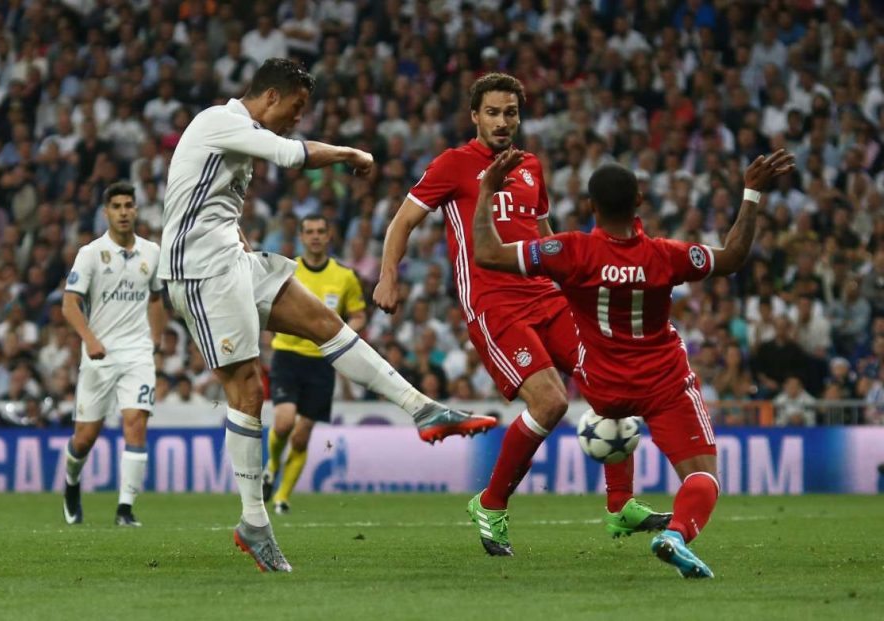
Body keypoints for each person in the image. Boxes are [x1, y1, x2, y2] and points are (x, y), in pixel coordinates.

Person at [158, 58, 495, 572]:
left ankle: (424, 410)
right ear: (272, 96)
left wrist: (238, 240)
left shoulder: (235, 132)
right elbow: (291, 156)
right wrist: (349, 153)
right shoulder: (218, 121)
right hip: (199, 273)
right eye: (296, 108)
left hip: (231, 260)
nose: (297, 119)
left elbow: (208, 203)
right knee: (248, 390)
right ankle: (254, 522)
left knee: (324, 322)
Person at [374, 73, 664, 557]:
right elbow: (403, 220)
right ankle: (490, 503)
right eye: (493, 112)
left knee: (615, 382)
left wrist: (571, 282)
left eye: (511, 112)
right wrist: (388, 275)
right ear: (474, 116)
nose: (503, 122)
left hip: (546, 297)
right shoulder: (453, 165)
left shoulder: (531, 165)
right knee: (550, 403)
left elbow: (542, 230)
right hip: (494, 304)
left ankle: (621, 505)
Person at [472, 147, 795, 578]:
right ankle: (676, 534)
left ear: (592, 207)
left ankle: (619, 503)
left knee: (586, 409)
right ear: (640, 201)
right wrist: (751, 193)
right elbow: (733, 257)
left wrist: (487, 192)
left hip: (603, 384)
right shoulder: (667, 255)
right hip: (664, 382)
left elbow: (488, 253)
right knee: (703, 478)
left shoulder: (570, 251)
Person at [61, 182, 166, 527]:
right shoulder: (90, 253)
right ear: (106, 212)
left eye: (129, 205)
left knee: (135, 423)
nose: (123, 212)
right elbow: (70, 304)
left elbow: (156, 299)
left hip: (137, 354)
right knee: (85, 438)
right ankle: (72, 482)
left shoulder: (152, 252)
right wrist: (89, 339)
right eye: (116, 206)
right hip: (99, 355)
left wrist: (155, 340)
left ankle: (125, 510)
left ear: (136, 210)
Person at [263, 214, 366, 515]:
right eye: (309, 232)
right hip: (287, 356)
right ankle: (271, 466)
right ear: (301, 236)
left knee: (301, 434)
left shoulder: (345, 276)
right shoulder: (287, 271)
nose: (316, 236)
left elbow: (359, 314)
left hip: (321, 362)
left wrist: (346, 334)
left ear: (329, 235)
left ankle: (282, 497)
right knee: (283, 423)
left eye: (321, 231)